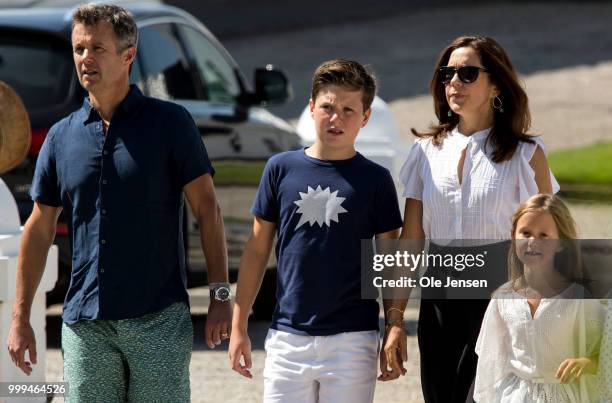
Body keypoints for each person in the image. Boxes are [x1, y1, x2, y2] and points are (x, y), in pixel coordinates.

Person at [6, 4, 231, 402]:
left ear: (128, 55)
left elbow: (208, 211)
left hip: (158, 319)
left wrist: (219, 297)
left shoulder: (171, 124)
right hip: (84, 324)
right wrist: (21, 317)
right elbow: (39, 229)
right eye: (78, 49)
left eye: (97, 48)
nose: (85, 59)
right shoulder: (61, 137)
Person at [228, 59, 405, 402]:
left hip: (354, 341)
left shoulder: (376, 181)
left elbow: (389, 263)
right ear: (311, 107)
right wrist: (239, 327)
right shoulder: (279, 169)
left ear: (366, 117)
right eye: (327, 106)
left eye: (348, 110)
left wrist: (394, 326)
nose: (336, 117)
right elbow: (256, 251)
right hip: (286, 337)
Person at [398, 35, 560, 402]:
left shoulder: (526, 154)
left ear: (496, 85)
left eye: (468, 73)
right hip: (439, 298)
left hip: (502, 295)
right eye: (448, 73)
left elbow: (551, 237)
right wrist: (394, 320)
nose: (454, 82)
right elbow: (409, 240)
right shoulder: (424, 151)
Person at [474, 194, 606, 402]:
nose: (532, 242)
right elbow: (490, 367)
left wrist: (586, 362)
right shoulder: (502, 299)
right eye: (525, 233)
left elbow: (606, 350)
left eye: (544, 235)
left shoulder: (577, 299)